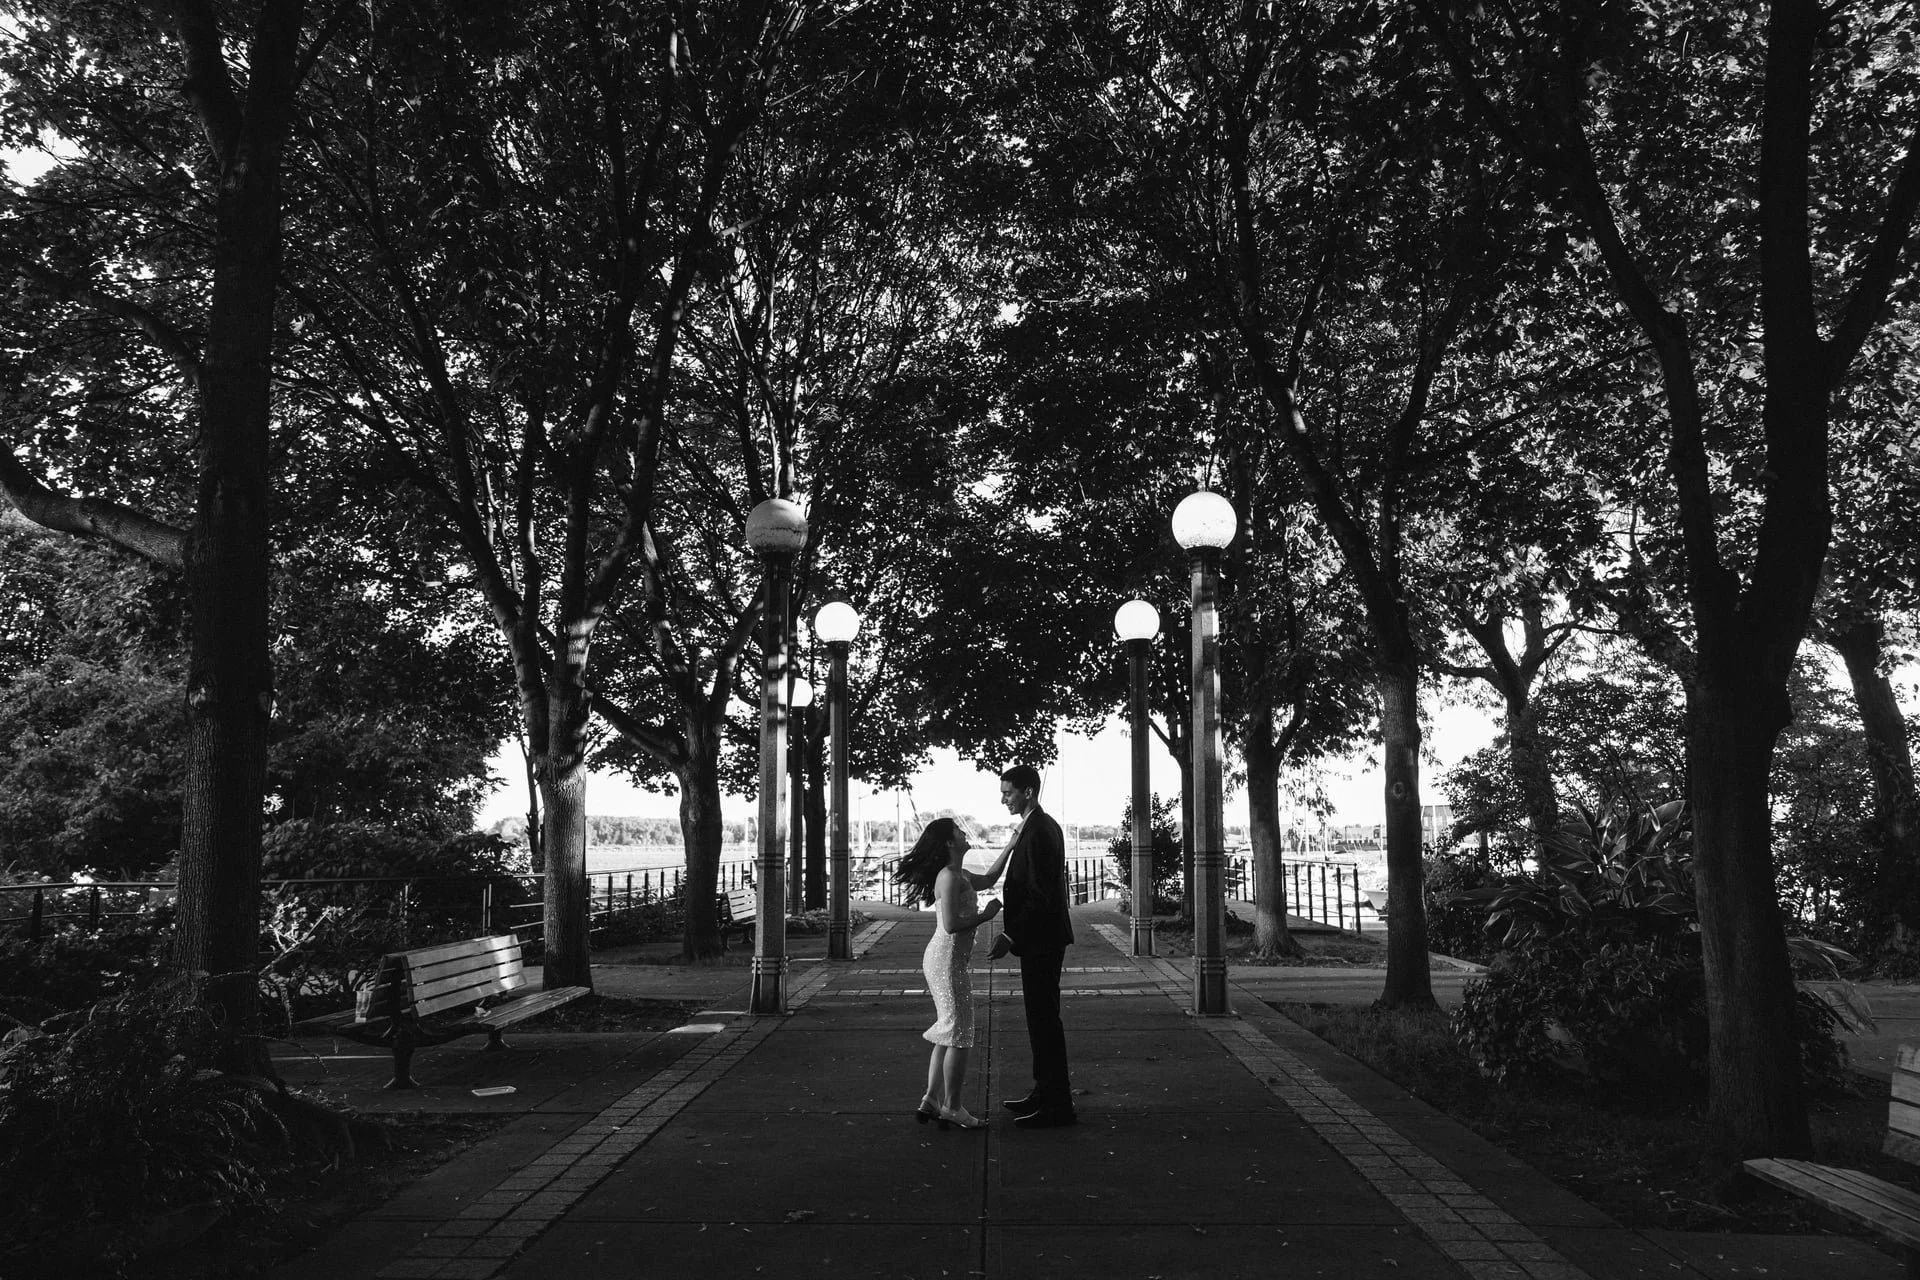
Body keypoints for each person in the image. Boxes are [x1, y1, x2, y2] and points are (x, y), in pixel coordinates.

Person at [892, 816, 1012, 1131]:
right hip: (945, 961)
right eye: (958, 831)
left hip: (949, 961)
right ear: (949, 842)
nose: (964, 833)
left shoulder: (962, 875)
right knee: (960, 1034)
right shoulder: (948, 877)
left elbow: (991, 877)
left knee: (950, 1031)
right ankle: (952, 1107)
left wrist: (1011, 845)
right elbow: (950, 925)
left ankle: (931, 1100)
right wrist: (985, 916)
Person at [992, 764, 1078, 1128]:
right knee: (1039, 1018)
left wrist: (1012, 935)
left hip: (1042, 939)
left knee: (1044, 1019)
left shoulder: (1040, 829)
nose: (1002, 799)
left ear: (1028, 792)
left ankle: (1057, 1104)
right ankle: (1045, 1091)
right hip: (1042, 938)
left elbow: (1040, 892)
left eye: (1008, 792)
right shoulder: (1038, 826)